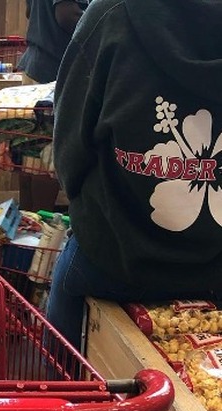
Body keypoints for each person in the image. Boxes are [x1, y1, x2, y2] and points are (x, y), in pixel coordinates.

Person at [47, 0, 222, 352]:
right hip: (214, 271)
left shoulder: (110, 15)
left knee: (61, 373)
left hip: (110, 262)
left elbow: (69, 153)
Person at [16, 0, 88, 212]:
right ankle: (39, 231)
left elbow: (30, 11)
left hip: (34, 65)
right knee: (48, 158)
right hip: (54, 72)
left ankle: (29, 227)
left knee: (31, 157)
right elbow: (67, 15)